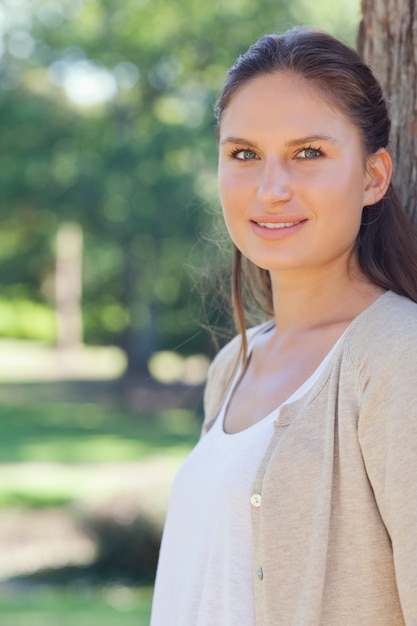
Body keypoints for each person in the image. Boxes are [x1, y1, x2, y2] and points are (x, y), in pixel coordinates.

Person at [150, 26, 417, 625]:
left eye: (308, 153)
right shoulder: (235, 366)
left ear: (374, 176)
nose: (271, 189)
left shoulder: (400, 357)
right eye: (244, 154)